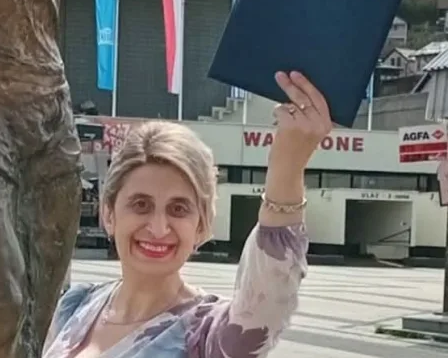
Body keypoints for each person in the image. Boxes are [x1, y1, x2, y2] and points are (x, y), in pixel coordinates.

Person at [42, 71, 333, 357]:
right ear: (109, 214)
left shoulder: (207, 335)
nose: (158, 228)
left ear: (202, 225)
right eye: (141, 205)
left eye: (178, 209)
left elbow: (266, 299)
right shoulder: (76, 306)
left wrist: (287, 165)